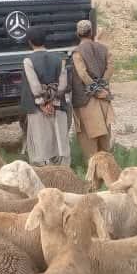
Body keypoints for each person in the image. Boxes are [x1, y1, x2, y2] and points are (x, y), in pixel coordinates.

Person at [20, 27, 70, 166]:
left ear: (30, 42)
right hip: (57, 107)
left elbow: (34, 85)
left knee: (41, 143)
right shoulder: (59, 59)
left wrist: (43, 104)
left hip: (38, 109)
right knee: (59, 141)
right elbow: (62, 85)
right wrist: (53, 102)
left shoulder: (28, 61)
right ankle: (63, 172)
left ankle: (44, 173)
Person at [70, 19, 115, 161]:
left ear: (78, 34)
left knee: (89, 145)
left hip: (87, 101)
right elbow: (110, 68)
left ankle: (94, 172)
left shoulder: (77, 52)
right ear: (92, 32)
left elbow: (83, 74)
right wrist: (102, 87)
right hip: (104, 99)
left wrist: (96, 90)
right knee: (105, 141)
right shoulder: (104, 49)